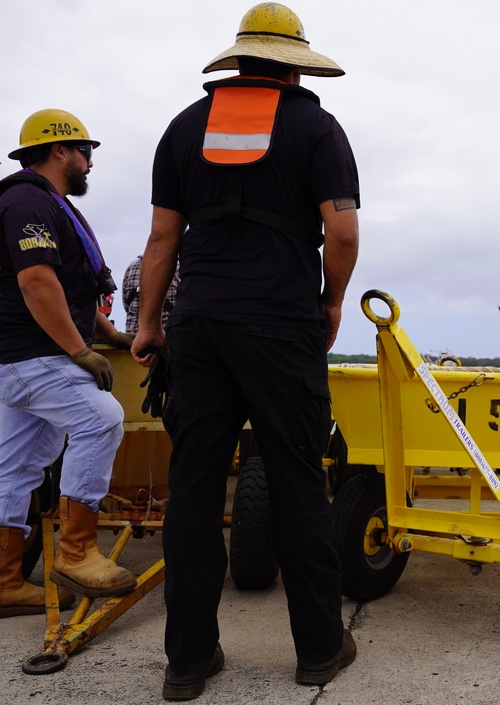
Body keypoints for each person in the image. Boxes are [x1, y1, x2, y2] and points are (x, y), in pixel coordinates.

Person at [130, 4, 360, 700]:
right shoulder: (317, 127)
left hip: (199, 326)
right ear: (294, 65)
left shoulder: (182, 128)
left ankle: (187, 663)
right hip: (281, 325)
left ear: (236, 61)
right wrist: (330, 301)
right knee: (295, 480)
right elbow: (342, 234)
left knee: (195, 491)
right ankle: (319, 649)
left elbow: (162, 241)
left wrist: (147, 324)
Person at [0, 109, 137, 620]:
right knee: (100, 420)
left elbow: (74, 289)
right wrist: (78, 351)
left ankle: (6, 581)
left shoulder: (46, 203)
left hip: (21, 358)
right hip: (35, 355)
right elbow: (37, 281)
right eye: (86, 152)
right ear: (60, 151)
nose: (89, 164)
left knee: (15, 469)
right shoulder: (26, 202)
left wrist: (109, 335)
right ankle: (78, 553)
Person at [122, 254, 179, 334]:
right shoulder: (177, 267)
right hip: (167, 337)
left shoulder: (132, 267)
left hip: (134, 337)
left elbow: (126, 305)